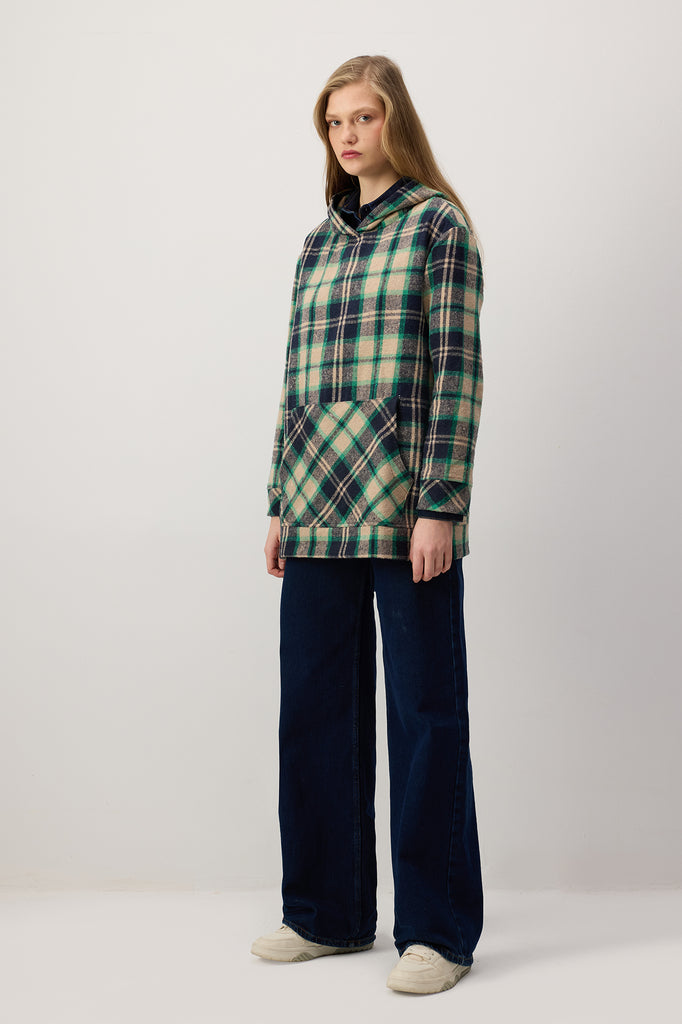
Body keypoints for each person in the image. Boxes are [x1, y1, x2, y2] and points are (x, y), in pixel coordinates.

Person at [251, 54, 485, 997]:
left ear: (396, 122)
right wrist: (278, 498)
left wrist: (442, 503)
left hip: (404, 509)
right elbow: (294, 377)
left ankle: (438, 931)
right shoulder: (317, 244)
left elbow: (457, 369)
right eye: (334, 122)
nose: (348, 135)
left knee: (425, 716)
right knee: (312, 713)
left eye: (363, 117)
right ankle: (326, 912)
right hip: (315, 504)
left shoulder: (437, 226)